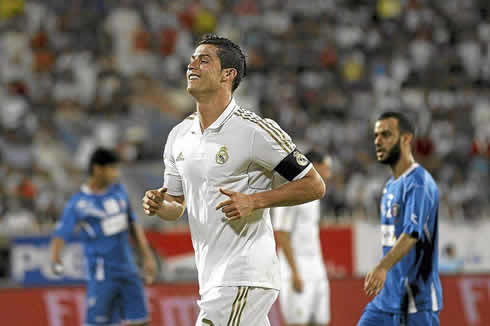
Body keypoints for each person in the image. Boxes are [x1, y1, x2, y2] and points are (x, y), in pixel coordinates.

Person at [141, 34, 326, 326]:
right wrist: (159, 203)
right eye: (192, 59)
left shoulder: (255, 130)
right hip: (212, 276)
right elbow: (176, 205)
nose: (192, 64)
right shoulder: (178, 136)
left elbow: (314, 184)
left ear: (228, 74)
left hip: (244, 272)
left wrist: (255, 200)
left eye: (204, 60)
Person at [50, 148, 156, 326]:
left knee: (141, 321)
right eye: (112, 169)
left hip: (128, 270)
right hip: (102, 274)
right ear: (98, 169)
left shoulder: (119, 192)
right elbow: (61, 233)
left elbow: (133, 225)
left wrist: (147, 257)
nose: (116, 174)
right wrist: (55, 258)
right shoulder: (79, 203)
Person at [357, 111, 443, 326]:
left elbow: (412, 233)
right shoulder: (389, 186)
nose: (378, 141)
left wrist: (382, 267)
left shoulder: (419, 183)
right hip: (385, 302)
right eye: (376, 135)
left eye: (386, 135)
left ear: (406, 139)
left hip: (416, 302)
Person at [273, 150, 332, 326]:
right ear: (315, 166)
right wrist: (295, 272)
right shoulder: (291, 191)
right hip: (297, 268)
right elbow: (282, 234)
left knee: (321, 320)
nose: (330, 171)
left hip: (316, 268)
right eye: (326, 167)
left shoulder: (316, 195)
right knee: (298, 322)